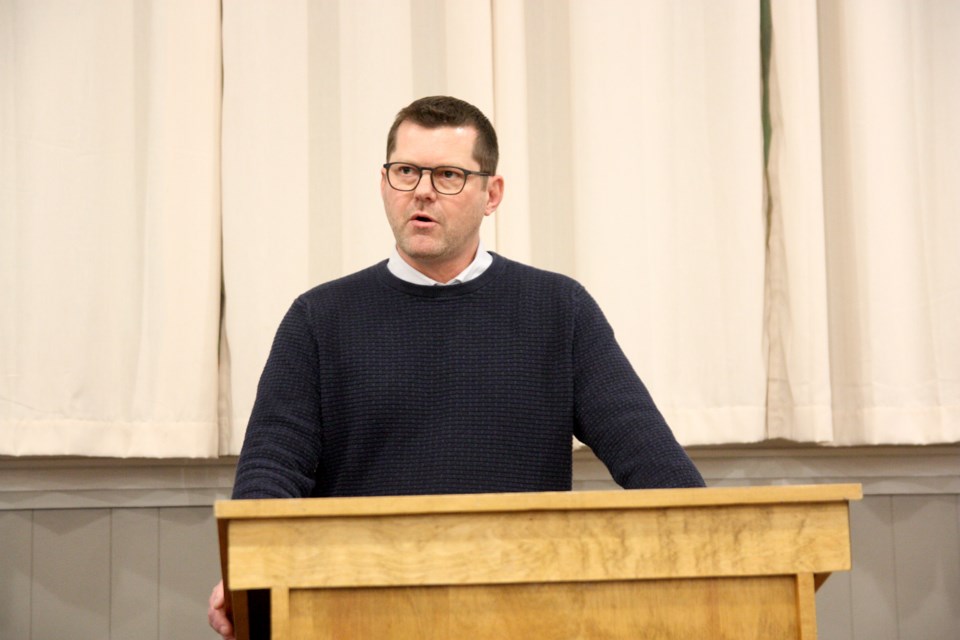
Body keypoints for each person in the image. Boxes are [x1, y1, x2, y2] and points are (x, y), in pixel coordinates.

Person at [208, 95, 704, 638]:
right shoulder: (319, 318)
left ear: (491, 194)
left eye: (447, 175)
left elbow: (650, 460)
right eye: (405, 171)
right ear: (384, 183)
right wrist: (244, 574)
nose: (421, 190)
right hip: (358, 610)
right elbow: (273, 472)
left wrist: (719, 546)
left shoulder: (559, 309)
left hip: (523, 610)